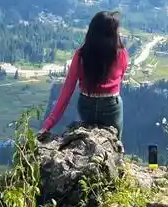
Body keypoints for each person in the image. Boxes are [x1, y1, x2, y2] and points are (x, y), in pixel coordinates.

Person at [39, 11, 129, 139]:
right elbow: (119, 80)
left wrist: (48, 124)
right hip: (111, 106)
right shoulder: (122, 54)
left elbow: (67, 91)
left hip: (87, 105)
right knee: (116, 142)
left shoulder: (81, 55)